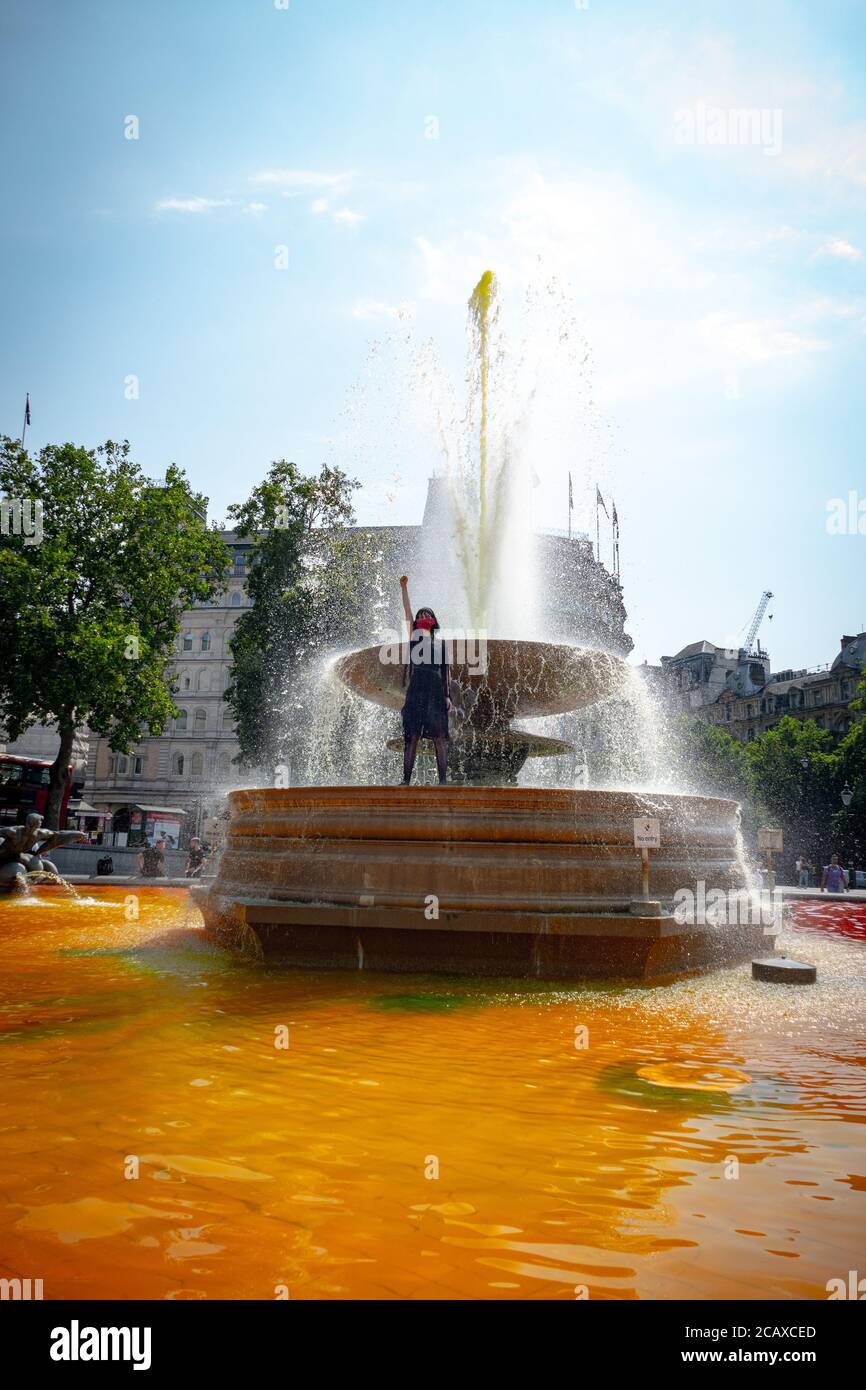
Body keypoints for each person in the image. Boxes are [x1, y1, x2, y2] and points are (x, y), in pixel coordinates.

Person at [399, 575, 451, 785]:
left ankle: (443, 782)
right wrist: (404, 588)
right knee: (412, 736)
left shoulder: (441, 644)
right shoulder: (413, 635)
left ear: (433, 620)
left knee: (439, 737)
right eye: (421, 614)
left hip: (436, 689)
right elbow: (407, 611)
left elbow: (446, 671)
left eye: (427, 614)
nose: (423, 616)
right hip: (417, 687)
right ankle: (406, 780)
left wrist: (447, 695)